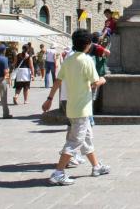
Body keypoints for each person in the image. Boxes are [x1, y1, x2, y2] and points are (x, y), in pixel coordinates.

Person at [42, 29, 110, 185]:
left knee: (86, 139)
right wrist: (102, 80)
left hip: (72, 106)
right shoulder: (86, 60)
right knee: (75, 141)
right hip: (82, 107)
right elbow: (94, 84)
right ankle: (58, 173)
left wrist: (49, 99)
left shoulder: (68, 60)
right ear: (88, 44)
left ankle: (96, 166)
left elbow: (58, 80)